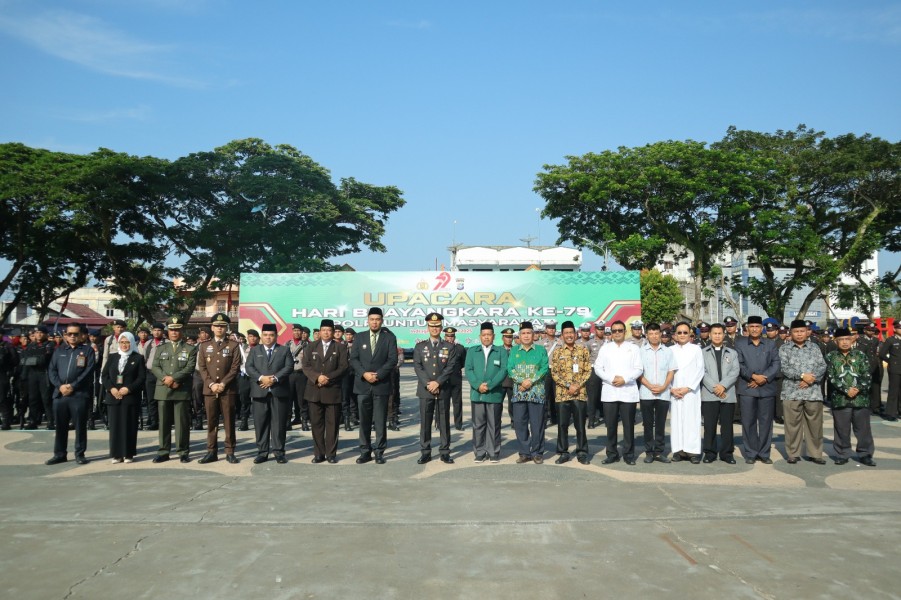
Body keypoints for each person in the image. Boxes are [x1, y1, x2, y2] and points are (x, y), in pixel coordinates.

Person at [349, 307, 398, 464]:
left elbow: (392, 359)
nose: (374, 322)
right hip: (362, 385)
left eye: (377, 319)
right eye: (372, 319)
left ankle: (379, 452)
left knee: (380, 420)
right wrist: (364, 374)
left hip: (381, 384)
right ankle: (365, 451)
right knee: (364, 420)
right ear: (368, 320)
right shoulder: (360, 337)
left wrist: (378, 374)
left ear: (382, 321)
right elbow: (353, 359)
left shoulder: (389, 338)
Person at [45, 323, 96, 465]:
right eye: (69, 334)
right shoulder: (59, 350)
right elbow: (52, 370)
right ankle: (59, 454)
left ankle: (80, 454)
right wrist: (60, 386)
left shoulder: (87, 350)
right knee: (60, 426)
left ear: (81, 335)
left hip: (78, 394)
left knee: (80, 426)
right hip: (60, 394)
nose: (72, 336)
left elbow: (88, 371)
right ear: (65, 335)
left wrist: (73, 386)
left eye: (75, 334)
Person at [779, 319, 828, 464]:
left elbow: (822, 366)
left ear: (807, 332)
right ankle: (793, 453)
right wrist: (802, 376)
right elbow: (784, 367)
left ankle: (815, 453)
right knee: (792, 425)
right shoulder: (784, 349)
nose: (799, 334)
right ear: (791, 333)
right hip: (791, 392)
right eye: (796, 331)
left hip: (813, 392)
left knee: (815, 425)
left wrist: (810, 379)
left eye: (802, 331)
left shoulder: (814, 347)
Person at [594, 320, 643, 465]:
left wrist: (625, 379)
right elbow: (597, 368)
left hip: (628, 391)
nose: (617, 333)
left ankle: (629, 454)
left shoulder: (633, 348)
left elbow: (639, 368)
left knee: (628, 426)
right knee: (611, 426)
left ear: (625, 332)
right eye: (614, 331)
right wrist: (611, 379)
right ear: (611, 333)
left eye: (620, 330)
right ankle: (612, 453)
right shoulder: (605, 348)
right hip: (610, 391)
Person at [151, 316, 198, 464]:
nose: (174, 332)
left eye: (177, 330)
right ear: (168, 331)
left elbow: (190, 367)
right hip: (163, 388)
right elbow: (155, 366)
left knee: (181, 423)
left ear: (181, 331)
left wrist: (174, 378)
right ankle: (163, 451)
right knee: (164, 423)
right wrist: (166, 379)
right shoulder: (161, 348)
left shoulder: (190, 348)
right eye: (171, 330)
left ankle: (183, 451)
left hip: (181, 389)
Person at [735, 316, 781, 465]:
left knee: (766, 422)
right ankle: (751, 453)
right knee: (748, 422)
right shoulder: (740, 343)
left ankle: (764, 453)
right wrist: (753, 377)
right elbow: (739, 364)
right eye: (751, 326)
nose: (754, 329)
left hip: (766, 388)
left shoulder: (770, 344)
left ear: (762, 328)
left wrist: (764, 377)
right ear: (747, 328)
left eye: (757, 326)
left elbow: (776, 363)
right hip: (747, 388)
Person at [197, 313, 242, 464]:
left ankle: (230, 451)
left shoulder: (233, 345)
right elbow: (202, 368)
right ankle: (211, 451)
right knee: (211, 421)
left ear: (226, 328)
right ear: (212, 328)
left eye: (222, 326)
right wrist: (211, 384)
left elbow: (235, 367)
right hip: (210, 389)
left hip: (227, 389)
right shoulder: (204, 346)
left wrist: (223, 384)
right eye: (217, 326)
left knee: (229, 421)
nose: (219, 329)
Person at [302, 318, 349, 464]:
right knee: (316, 424)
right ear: (320, 331)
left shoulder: (340, 347)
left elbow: (343, 367)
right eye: (324, 330)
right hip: (314, 390)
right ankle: (319, 454)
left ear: (333, 332)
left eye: (329, 330)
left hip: (332, 390)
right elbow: (306, 366)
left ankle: (331, 454)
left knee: (332, 424)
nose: (326, 333)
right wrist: (317, 377)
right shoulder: (311, 346)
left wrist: (328, 378)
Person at [246, 323, 294, 463]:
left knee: (279, 424)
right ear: (261, 336)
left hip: (278, 391)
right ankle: (262, 452)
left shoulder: (284, 350)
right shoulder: (255, 350)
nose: (268, 338)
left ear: (276, 336)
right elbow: (249, 367)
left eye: (271, 335)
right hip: (259, 392)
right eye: (265, 335)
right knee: (260, 424)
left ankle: (279, 452)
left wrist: (274, 379)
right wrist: (262, 378)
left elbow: (289, 366)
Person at [413, 313, 457, 464]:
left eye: (437, 326)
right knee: (425, 422)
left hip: (443, 389)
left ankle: (445, 451)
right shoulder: (420, 346)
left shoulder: (449, 347)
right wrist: (429, 384)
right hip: (425, 390)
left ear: (441, 327)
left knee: (444, 421)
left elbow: (450, 367)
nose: (435, 329)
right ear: (428, 327)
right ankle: (425, 452)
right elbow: (418, 367)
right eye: (432, 326)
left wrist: (437, 382)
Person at [827, 328, 876, 466]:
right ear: (835, 341)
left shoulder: (860, 355)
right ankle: (842, 454)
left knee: (863, 429)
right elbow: (831, 376)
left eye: (847, 339)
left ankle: (865, 454)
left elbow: (867, 374)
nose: (844, 342)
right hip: (840, 399)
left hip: (860, 399)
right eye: (841, 339)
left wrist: (857, 388)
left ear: (852, 340)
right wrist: (846, 389)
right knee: (841, 429)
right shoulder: (831, 357)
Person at [464, 321, 508, 464]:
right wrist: (478, 385)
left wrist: (489, 385)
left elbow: (503, 370)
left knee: (494, 424)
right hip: (477, 394)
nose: (486, 337)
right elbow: (468, 370)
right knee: (478, 425)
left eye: (489, 335)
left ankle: (493, 452)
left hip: (494, 394)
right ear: (480, 336)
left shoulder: (500, 351)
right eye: (484, 335)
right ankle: (480, 452)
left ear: (493, 336)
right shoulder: (472, 351)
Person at [549, 321, 592, 465]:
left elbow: (588, 370)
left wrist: (577, 385)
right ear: (562, 335)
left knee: (580, 425)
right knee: (562, 425)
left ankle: (582, 453)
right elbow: (554, 373)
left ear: (575, 334)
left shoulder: (583, 350)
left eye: (571, 333)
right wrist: (568, 385)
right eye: (566, 333)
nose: (569, 335)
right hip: (562, 394)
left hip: (579, 393)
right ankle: (563, 452)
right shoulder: (557, 352)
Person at [507, 321, 549, 464]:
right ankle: (524, 452)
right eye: (523, 333)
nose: (526, 336)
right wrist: (521, 381)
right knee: (520, 424)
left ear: (533, 335)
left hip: (536, 393)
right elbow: (510, 369)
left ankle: (537, 452)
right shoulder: (514, 351)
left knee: (537, 424)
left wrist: (530, 381)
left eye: (528, 333)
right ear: (519, 336)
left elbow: (544, 368)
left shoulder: (541, 350)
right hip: (519, 394)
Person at [102, 331, 145, 464]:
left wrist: (129, 388)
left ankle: (128, 453)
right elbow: (105, 375)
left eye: (127, 342)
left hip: (130, 397)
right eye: (122, 342)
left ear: (132, 343)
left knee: (129, 426)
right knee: (115, 426)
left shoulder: (138, 358)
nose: (124, 345)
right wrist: (112, 388)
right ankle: (116, 454)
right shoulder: (113, 357)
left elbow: (141, 377)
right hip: (113, 396)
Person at [700, 324, 740, 463]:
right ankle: (710, 453)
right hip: (709, 394)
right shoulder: (702, 353)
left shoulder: (732, 353)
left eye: (720, 333)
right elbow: (701, 372)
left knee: (727, 426)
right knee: (709, 426)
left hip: (727, 394)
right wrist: (714, 387)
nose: (717, 336)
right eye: (714, 333)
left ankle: (727, 453)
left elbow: (735, 371)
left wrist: (723, 385)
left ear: (724, 335)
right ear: (710, 335)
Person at [638, 323, 675, 463]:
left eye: (656, 333)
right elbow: (638, 372)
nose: (654, 336)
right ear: (647, 335)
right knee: (647, 424)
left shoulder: (668, 351)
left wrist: (664, 386)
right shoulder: (641, 351)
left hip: (663, 393)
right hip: (646, 393)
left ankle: (659, 452)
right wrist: (649, 385)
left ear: (660, 334)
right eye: (651, 334)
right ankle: (649, 451)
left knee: (661, 424)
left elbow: (671, 371)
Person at [669, 322, 705, 464]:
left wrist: (688, 388)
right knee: (676, 421)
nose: (682, 335)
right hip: (675, 391)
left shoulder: (696, 349)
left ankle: (693, 451)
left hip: (691, 392)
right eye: (679, 332)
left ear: (690, 334)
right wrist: (671, 388)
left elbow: (700, 370)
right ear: (675, 335)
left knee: (692, 420)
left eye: (685, 332)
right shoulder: (670, 350)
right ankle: (678, 450)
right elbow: (666, 371)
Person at [22, 326, 55, 429]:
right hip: (33, 374)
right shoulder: (31, 345)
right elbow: (25, 360)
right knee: (33, 399)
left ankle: (51, 421)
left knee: (46, 399)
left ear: (45, 334)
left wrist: (34, 360)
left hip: (44, 374)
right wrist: (36, 359)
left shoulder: (49, 345)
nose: (38, 334)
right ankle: (33, 421)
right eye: (36, 332)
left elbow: (44, 359)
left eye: (41, 332)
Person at [442, 326, 466, 430]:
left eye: (451, 336)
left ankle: (458, 424)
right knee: (443, 404)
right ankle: (442, 424)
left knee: (457, 403)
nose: (450, 338)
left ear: (454, 337)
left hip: (456, 379)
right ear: (445, 337)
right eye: (448, 336)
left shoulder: (460, 348)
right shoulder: (440, 348)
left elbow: (463, 363)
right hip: (443, 380)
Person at [142, 322, 166, 431]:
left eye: (159, 330)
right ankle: (153, 421)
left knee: (162, 399)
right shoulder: (148, 343)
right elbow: (144, 358)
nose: (156, 332)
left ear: (162, 332)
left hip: (162, 374)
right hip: (150, 373)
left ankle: (164, 421)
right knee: (151, 399)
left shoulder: (167, 343)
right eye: (155, 330)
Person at [287, 323, 310, 431]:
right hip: (290, 375)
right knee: (289, 399)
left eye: (298, 331)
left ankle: (304, 421)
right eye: (295, 330)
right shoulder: (287, 344)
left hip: (302, 375)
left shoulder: (307, 345)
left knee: (302, 400)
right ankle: (287, 422)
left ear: (302, 332)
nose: (296, 332)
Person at [878, 328, 901, 422]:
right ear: (895, 328)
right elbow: (882, 354)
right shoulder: (890, 340)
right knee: (893, 391)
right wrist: (891, 361)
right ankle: (891, 413)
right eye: (900, 327)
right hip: (895, 369)